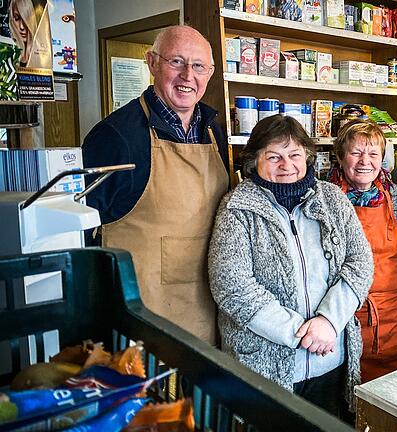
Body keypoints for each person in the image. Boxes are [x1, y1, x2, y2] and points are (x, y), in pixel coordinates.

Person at [208, 115, 374, 417]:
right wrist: (302, 333)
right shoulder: (237, 207)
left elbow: (360, 262)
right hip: (265, 366)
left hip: (331, 360)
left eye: (294, 154)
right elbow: (231, 286)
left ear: (307, 157)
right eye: (274, 156)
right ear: (254, 160)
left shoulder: (332, 199)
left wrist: (328, 321)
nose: (287, 165)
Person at [81, 26, 228, 345]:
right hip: (143, 324)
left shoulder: (215, 131)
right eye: (176, 61)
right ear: (152, 62)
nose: (188, 75)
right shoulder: (115, 137)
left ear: (211, 72)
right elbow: (84, 234)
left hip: (207, 316)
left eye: (199, 66)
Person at [328, 120, 397, 383]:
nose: (364, 161)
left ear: (383, 158)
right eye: (356, 153)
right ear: (340, 157)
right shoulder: (324, 199)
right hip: (344, 318)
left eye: (373, 154)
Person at [8, 0, 38, 67]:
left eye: (26, 19)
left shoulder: (40, 54)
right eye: (17, 18)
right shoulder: (7, 53)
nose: (22, 26)